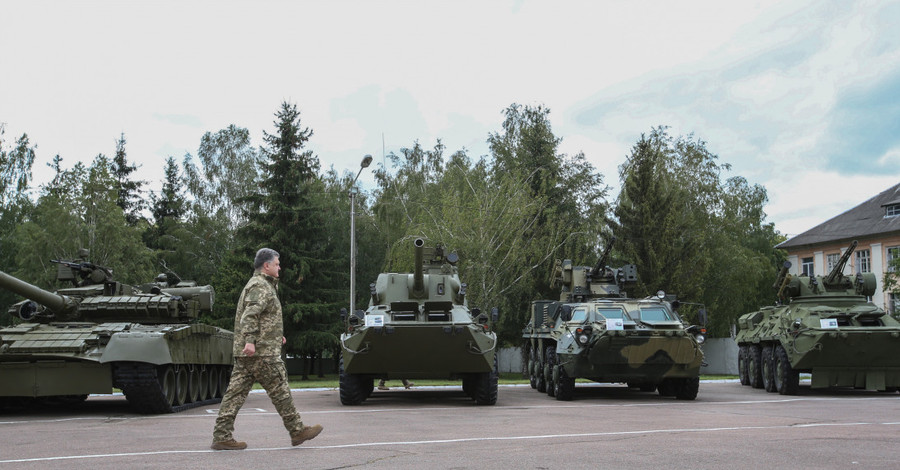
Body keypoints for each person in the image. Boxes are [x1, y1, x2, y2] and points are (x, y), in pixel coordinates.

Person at [211, 248, 323, 450]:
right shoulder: (260, 286)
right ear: (266, 265)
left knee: (234, 395)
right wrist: (251, 341)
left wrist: (274, 334)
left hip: (253, 352)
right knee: (280, 390)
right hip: (261, 354)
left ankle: (221, 436)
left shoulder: (260, 285)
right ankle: (297, 431)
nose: (280, 267)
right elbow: (250, 316)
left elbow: (263, 317)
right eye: (277, 264)